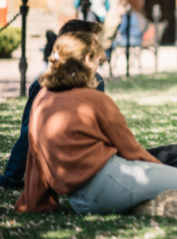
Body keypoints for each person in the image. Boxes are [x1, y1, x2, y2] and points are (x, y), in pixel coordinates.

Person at [1, 20, 177, 195]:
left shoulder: (67, 88)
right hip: (100, 174)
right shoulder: (86, 91)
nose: (103, 56)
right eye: (97, 50)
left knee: (175, 151)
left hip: (86, 175)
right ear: (83, 54)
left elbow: (36, 140)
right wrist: (13, 178)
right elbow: (30, 137)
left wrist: (31, 195)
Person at [14, 32, 177, 219]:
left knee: (146, 192)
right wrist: (161, 171)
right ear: (87, 59)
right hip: (110, 182)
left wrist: (34, 202)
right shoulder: (95, 100)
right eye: (98, 60)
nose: (99, 66)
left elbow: (36, 157)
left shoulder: (41, 100)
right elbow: (132, 152)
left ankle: (157, 207)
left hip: (79, 202)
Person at [0, 20, 105, 190]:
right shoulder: (45, 85)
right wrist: (12, 177)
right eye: (94, 48)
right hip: (58, 169)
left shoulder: (96, 81)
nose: (100, 54)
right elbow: (29, 134)